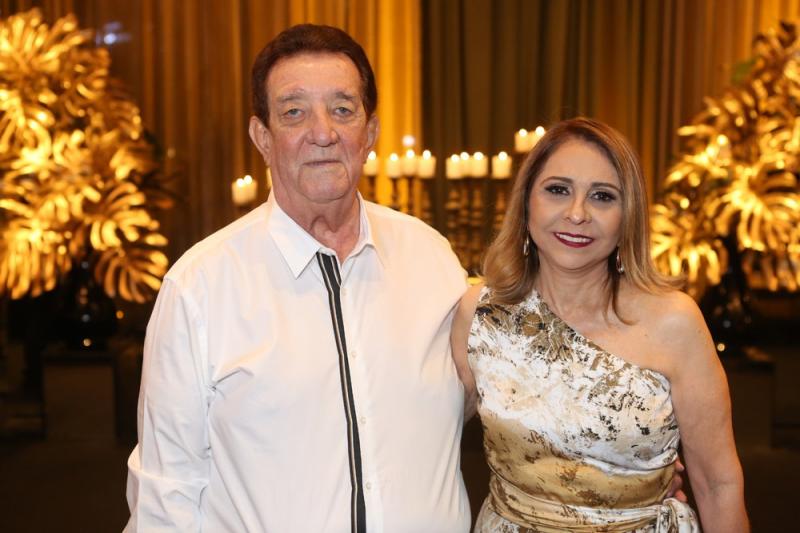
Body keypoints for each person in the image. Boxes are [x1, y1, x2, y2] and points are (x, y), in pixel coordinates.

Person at [124, 24, 471, 532]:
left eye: (343, 109)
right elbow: (166, 491)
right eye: (294, 112)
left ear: (370, 133)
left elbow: (475, 403)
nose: (323, 132)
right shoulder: (200, 287)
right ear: (262, 138)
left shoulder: (431, 257)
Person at [451, 117, 749, 532]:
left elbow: (719, 485)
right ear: (526, 202)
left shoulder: (674, 322)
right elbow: (425, 432)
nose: (577, 214)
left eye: (603, 196)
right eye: (558, 190)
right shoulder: (481, 315)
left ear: (628, 216)